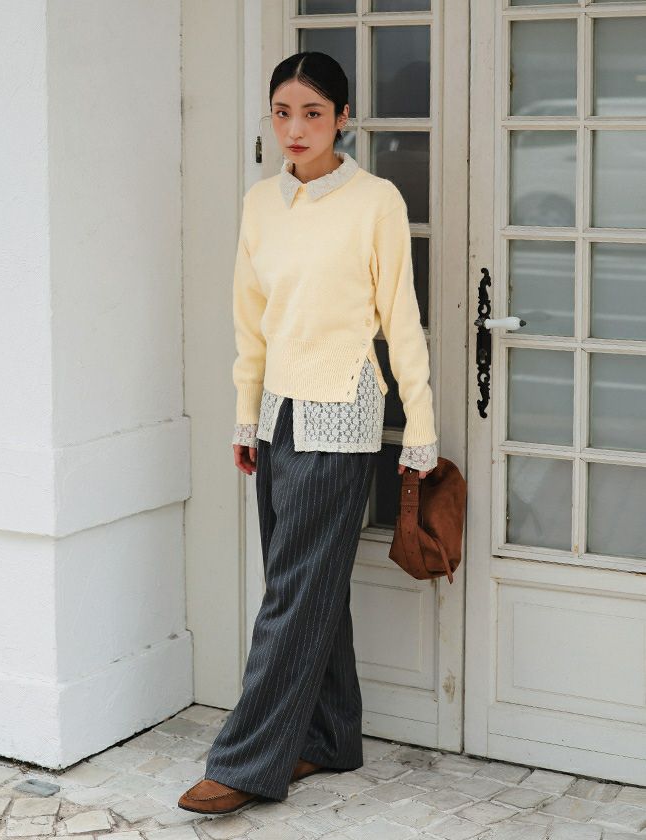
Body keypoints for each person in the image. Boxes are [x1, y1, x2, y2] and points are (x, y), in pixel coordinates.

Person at [178, 51, 437, 815]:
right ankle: (329, 737)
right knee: (308, 588)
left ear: (343, 119)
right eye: (283, 112)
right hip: (280, 415)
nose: (295, 128)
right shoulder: (261, 203)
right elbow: (250, 320)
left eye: (313, 113)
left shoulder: (375, 201)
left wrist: (419, 430)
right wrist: (246, 413)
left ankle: (244, 762)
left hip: (342, 414)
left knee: (290, 595)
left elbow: (402, 320)